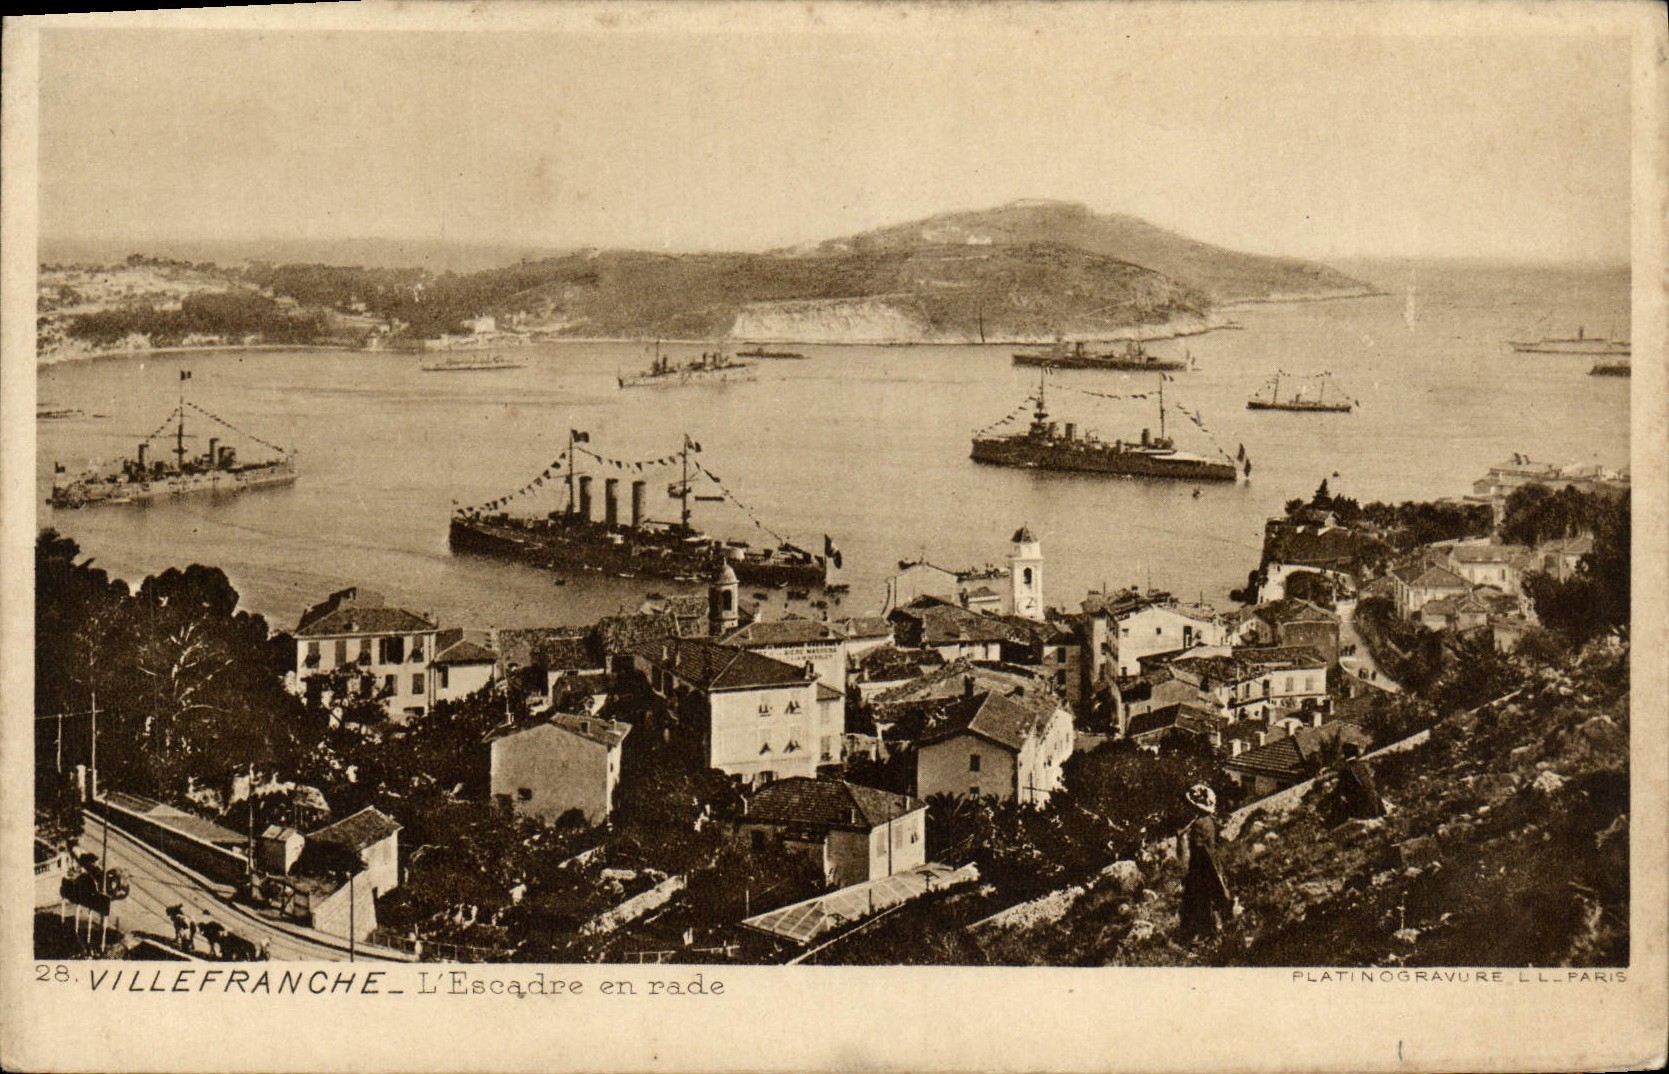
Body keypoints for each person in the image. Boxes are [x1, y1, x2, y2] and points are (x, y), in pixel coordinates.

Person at [1177, 784, 1234, 943]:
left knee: (1200, 898)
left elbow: (1199, 850)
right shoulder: (1206, 820)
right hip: (1208, 863)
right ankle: (1210, 930)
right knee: (1206, 898)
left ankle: (1204, 933)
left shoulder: (1198, 824)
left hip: (1202, 866)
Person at [1333, 742, 1386, 820]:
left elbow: (1342, 791)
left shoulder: (1345, 770)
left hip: (1361, 806)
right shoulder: (1362, 765)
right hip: (1375, 801)